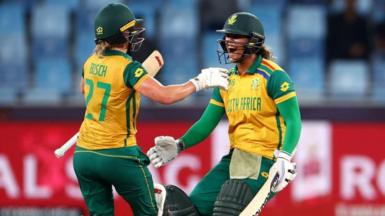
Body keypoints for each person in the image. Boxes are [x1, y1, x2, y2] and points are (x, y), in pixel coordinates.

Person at [72, 3, 228, 216]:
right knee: (149, 212)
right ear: (122, 35)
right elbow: (165, 96)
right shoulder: (129, 68)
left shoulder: (90, 62)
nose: (134, 34)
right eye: (130, 31)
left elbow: (84, 89)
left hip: (84, 155)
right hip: (118, 155)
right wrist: (199, 82)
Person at [147, 12, 302, 216]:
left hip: (264, 160)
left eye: (236, 36)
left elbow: (294, 121)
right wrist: (179, 144)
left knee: (227, 210)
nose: (229, 41)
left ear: (254, 41)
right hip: (234, 158)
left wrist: (284, 157)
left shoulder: (274, 76)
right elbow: (207, 123)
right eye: (227, 36)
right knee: (189, 210)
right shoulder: (225, 80)